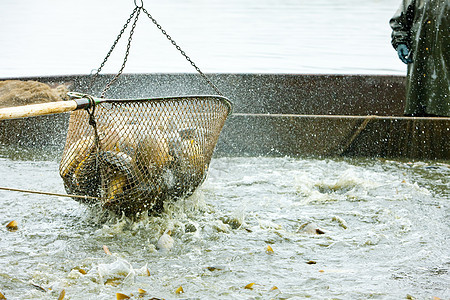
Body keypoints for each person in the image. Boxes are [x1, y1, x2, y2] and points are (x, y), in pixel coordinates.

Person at [389, 0, 449, 117]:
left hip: (445, 62)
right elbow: (399, 22)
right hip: (419, 62)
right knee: (418, 101)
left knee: (444, 101)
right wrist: (400, 41)